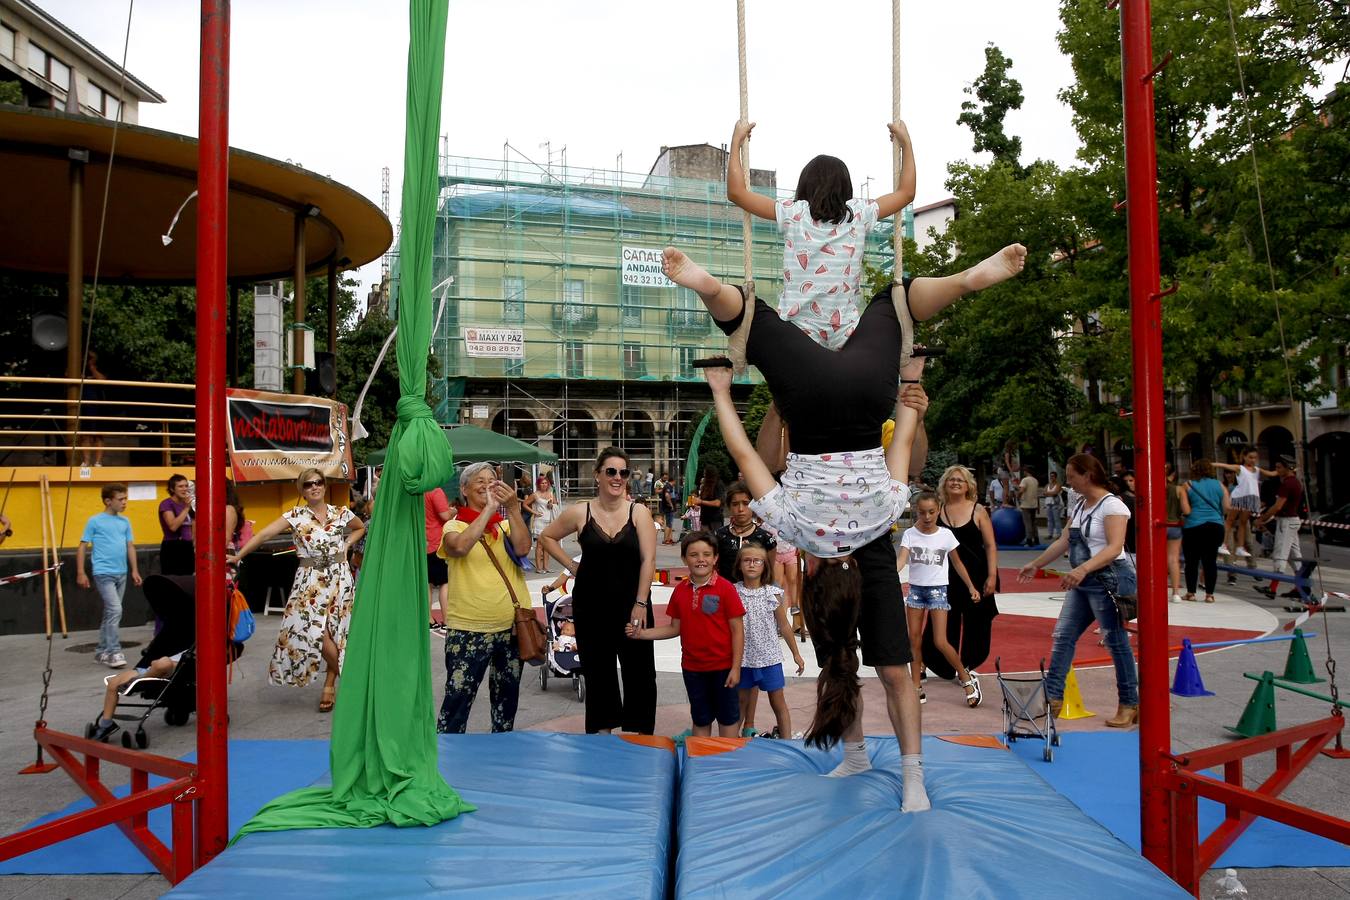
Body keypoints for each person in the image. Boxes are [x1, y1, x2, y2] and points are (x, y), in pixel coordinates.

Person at [664, 238, 1025, 813]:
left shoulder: (841, 516)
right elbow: (752, 457)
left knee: (853, 668)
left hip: (837, 407)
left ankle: (874, 762)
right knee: (890, 670)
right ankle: (898, 772)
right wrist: (912, 380)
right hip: (851, 434)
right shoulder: (815, 523)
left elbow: (755, 455)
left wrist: (910, 384)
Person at [726, 119, 914, 350]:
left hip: (797, 328)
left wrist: (736, 142)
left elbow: (736, 193)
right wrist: (906, 144)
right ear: (846, 187)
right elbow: (906, 193)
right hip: (845, 330)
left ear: (805, 185)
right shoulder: (858, 214)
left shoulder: (793, 213)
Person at [540, 447, 658, 734]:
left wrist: (640, 603)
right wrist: (573, 566)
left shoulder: (638, 512)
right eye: (611, 471)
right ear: (598, 475)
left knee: (639, 673)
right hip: (591, 606)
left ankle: (640, 735)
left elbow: (649, 560)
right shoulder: (581, 512)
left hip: (633, 604)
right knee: (598, 673)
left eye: (623, 472)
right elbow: (546, 536)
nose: (618, 477)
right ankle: (601, 739)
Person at [228, 469, 364, 712]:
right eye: (308, 484)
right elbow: (264, 534)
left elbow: (360, 527)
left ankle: (329, 685)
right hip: (309, 581)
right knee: (314, 633)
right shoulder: (295, 516)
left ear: (324, 485)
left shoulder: (340, 512)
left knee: (337, 632)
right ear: (302, 490)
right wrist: (238, 555)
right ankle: (355, 679)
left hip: (339, 578)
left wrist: (346, 544)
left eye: (318, 482)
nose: (314, 487)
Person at [1019, 453, 1138, 728]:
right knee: (1063, 635)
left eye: (1072, 476)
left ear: (1088, 475)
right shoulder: (1082, 505)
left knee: (1116, 641)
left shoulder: (1113, 506)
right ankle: (1053, 697)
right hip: (1083, 581)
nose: (1068, 482)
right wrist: (1036, 564)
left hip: (1108, 580)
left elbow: (1114, 547)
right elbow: (1064, 541)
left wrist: (1082, 569)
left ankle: (1129, 702)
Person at [432, 462, 532, 733]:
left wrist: (511, 508)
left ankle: (501, 754)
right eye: (480, 480)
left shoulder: (504, 526)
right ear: (464, 488)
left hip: (511, 629)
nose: (487, 484)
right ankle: (448, 757)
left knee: (506, 703)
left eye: (492, 479)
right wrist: (488, 508)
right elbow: (460, 547)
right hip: (469, 630)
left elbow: (523, 548)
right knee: (457, 701)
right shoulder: (453, 525)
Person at [627, 530, 744, 738]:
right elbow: (674, 628)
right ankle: (699, 764)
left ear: (716, 558)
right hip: (693, 668)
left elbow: (737, 630)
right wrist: (642, 634)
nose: (701, 559)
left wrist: (735, 667)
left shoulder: (726, 589)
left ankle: (729, 764)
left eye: (707, 554)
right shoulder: (680, 591)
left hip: (723, 668)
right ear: (684, 558)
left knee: (728, 719)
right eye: (694, 554)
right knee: (700, 718)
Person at [898, 491, 982, 707]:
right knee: (913, 640)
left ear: (938, 510)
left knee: (940, 641)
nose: (927, 517)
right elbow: (902, 560)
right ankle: (916, 686)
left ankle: (966, 679)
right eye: (922, 512)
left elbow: (957, 563)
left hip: (937, 590)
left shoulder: (945, 535)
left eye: (932, 512)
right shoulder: (910, 534)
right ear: (916, 510)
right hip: (916, 590)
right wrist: (890, 575)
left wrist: (971, 586)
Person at [922, 465, 999, 684]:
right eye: (951, 479)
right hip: (946, 576)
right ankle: (933, 663)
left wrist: (992, 575)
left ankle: (968, 665)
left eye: (960, 480)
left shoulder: (978, 510)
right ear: (944, 484)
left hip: (977, 574)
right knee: (942, 621)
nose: (955, 483)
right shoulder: (938, 510)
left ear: (968, 486)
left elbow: (990, 545)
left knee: (978, 622)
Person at [731, 540, 804, 739]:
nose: (752, 564)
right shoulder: (733, 592)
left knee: (777, 701)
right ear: (739, 565)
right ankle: (729, 743)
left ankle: (787, 741)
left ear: (765, 566)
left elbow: (784, 626)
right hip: (743, 660)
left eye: (757, 561)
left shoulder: (772, 593)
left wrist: (796, 654)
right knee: (741, 702)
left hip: (769, 658)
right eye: (747, 560)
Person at [77, 483, 142, 669]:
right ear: (108, 501)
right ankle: (114, 651)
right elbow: (82, 546)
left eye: (125, 499)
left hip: (121, 572)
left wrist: (135, 570)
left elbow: (130, 546)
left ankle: (101, 651)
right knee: (115, 610)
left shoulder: (125, 522)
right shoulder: (95, 521)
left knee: (110, 612)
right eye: (120, 499)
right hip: (103, 572)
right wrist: (81, 572)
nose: (124, 502)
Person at [1179, 458, 1230, 603]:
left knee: (1192, 561)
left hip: (1194, 526)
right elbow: (1227, 507)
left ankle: (1191, 593)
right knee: (1210, 561)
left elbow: (1186, 510)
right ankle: (1210, 595)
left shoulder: (1187, 485)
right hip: (1215, 526)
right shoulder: (1220, 485)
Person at [1254, 456, 1305, 598]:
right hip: (1292, 520)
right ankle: (1302, 587)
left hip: (1286, 522)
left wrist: (1262, 519)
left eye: (1279, 467)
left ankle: (1272, 588)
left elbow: (1277, 506)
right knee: (1295, 556)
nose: (1276, 470)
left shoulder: (1287, 484)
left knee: (1280, 555)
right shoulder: (1294, 482)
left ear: (1287, 467)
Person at [1215, 448, 1274, 559]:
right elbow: (1224, 465)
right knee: (1230, 521)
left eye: (1255, 458)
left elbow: (1271, 473)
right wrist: (1210, 464)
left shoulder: (1256, 469)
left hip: (1250, 498)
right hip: (1239, 497)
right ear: (1244, 457)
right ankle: (1223, 544)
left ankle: (1240, 547)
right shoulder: (1240, 468)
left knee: (1243, 522)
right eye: (1250, 457)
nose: (1253, 460)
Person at [713, 481, 776, 582]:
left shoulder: (766, 538)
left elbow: (769, 571)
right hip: (726, 593)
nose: (741, 509)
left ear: (755, 505)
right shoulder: (719, 535)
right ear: (729, 507)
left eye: (746, 503)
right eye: (735, 504)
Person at [425, 486, 452, 627]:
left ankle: (428, 618)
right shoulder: (435, 491)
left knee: (427, 583)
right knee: (445, 582)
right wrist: (454, 510)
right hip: (437, 542)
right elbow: (445, 516)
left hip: (422, 542)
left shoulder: (418, 490)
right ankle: (447, 619)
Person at [158, 474, 195, 576]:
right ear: (172, 489)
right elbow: (173, 526)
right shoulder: (166, 504)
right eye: (180, 486)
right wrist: (186, 508)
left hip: (188, 547)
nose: (184, 489)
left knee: (188, 580)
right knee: (173, 582)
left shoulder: (188, 503)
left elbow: (193, 524)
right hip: (172, 547)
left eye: (186, 486)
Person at [526, 475, 560, 573]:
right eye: (542, 483)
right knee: (540, 546)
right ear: (538, 484)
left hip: (549, 522)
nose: (544, 485)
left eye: (546, 483)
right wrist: (534, 512)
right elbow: (524, 504)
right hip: (539, 522)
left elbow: (555, 504)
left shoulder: (550, 493)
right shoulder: (535, 494)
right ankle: (539, 568)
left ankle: (546, 567)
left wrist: (551, 505)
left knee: (547, 546)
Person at [1163, 462, 1185, 603]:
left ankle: (1160, 587)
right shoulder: (1179, 489)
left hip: (1158, 527)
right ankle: (1176, 592)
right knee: (1173, 559)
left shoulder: (1152, 488)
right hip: (1175, 525)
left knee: (1158, 559)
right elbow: (1186, 510)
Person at [695, 467, 725, 532]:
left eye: (705, 474)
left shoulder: (718, 484)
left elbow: (717, 503)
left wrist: (701, 502)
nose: (704, 475)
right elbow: (703, 500)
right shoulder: (705, 485)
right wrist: (697, 503)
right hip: (705, 519)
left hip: (715, 519)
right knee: (705, 540)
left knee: (716, 539)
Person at [1017, 467, 1040, 546]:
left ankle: (1029, 540)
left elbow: (1022, 489)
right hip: (1034, 504)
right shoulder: (1035, 480)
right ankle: (1036, 539)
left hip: (1026, 504)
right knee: (1034, 522)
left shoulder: (1025, 480)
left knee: (1027, 523)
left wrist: (1018, 495)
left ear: (1026, 472)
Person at [657, 473, 678, 545]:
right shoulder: (668, 486)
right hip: (668, 508)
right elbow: (667, 495)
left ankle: (669, 539)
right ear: (673, 481)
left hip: (667, 507)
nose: (675, 483)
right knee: (669, 524)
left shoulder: (667, 486)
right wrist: (671, 505)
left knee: (670, 524)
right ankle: (666, 540)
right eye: (675, 481)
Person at [1043, 470, 1064, 540]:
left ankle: (1059, 534)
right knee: (1049, 520)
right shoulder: (1047, 485)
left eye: (1053, 476)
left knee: (1056, 519)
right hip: (1048, 504)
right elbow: (1044, 493)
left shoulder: (1058, 484)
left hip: (1055, 504)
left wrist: (1048, 493)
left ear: (1056, 477)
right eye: (1050, 476)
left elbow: (1055, 492)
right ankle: (1050, 534)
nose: (1051, 477)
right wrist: (1050, 493)